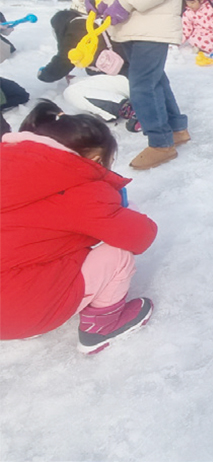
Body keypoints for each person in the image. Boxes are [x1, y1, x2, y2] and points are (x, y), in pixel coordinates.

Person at [0, 100, 158, 353]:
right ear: (96, 158)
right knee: (117, 253)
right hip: (17, 310)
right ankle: (102, 327)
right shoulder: (78, 190)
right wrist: (123, 211)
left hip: (9, 297)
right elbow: (141, 236)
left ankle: (25, 313)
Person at [75, 0, 191, 170]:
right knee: (152, 77)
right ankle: (176, 129)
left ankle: (160, 143)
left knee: (141, 83)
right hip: (119, 18)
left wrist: (127, 1)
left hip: (152, 14)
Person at [36, 9, 130, 83]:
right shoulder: (90, 22)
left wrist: (44, 75)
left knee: (73, 91)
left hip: (120, 73)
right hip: (128, 66)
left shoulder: (75, 29)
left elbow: (64, 61)